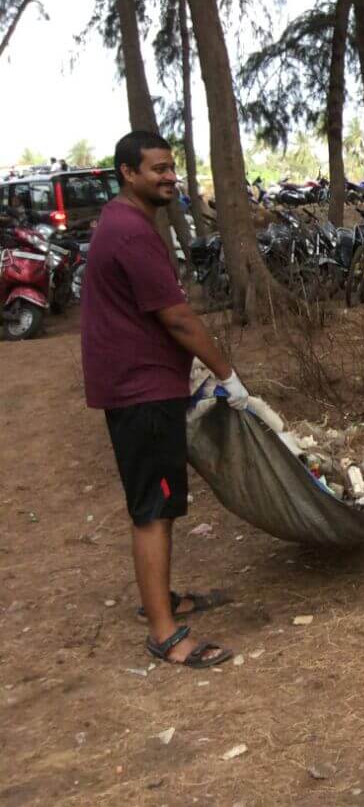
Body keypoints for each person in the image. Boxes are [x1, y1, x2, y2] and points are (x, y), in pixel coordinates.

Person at [81, 129, 251, 669]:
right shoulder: (131, 231)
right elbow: (177, 316)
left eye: (171, 168)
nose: (168, 177)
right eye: (156, 169)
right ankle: (164, 633)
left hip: (141, 383)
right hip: (141, 390)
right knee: (153, 509)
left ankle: (165, 599)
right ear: (128, 173)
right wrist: (227, 373)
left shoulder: (125, 222)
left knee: (160, 504)